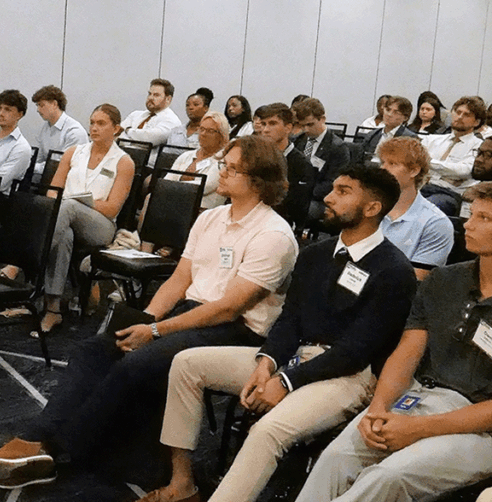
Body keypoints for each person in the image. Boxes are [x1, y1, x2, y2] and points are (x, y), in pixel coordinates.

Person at [0, 136, 298, 490]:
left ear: (258, 181)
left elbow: (228, 308)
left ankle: (53, 449)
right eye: (223, 164)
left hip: (237, 330)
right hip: (194, 313)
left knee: (137, 363)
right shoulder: (211, 218)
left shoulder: (273, 235)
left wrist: (154, 332)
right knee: (94, 349)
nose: (223, 173)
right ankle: (40, 438)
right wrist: (147, 319)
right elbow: (180, 279)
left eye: (232, 168)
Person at [140, 165, 416, 502]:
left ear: (372, 208)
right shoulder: (315, 254)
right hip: (293, 358)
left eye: (343, 192)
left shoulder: (394, 271)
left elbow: (355, 352)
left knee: (267, 430)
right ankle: (182, 482)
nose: (328, 198)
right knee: (186, 364)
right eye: (333, 188)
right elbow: (290, 320)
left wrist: (285, 382)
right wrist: (266, 363)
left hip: (348, 375)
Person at [294, 180, 492, 502]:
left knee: (388, 477)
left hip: (484, 428)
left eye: (484, 218)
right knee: (336, 457)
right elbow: (407, 352)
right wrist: (378, 408)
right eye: (472, 214)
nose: (468, 225)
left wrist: (418, 428)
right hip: (418, 397)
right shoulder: (445, 280)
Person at [37, 104, 135, 333]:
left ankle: (32, 258)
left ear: (116, 128)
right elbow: (53, 192)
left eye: (101, 123)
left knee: (69, 206)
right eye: (92, 122)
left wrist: (80, 202)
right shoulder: (73, 152)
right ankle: (53, 309)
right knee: (64, 236)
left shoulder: (124, 162)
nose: (94, 128)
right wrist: (70, 202)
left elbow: (112, 208)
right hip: (65, 219)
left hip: (101, 225)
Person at [378, 137, 454, 280]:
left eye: (392, 163)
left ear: (414, 171)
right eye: (382, 162)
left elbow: (414, 281)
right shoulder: (367, 208)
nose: (383, 169)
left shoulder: (436, 223)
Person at [253, 102, 315, 233]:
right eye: (263, 124)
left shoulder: (301, 165)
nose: (265, 130)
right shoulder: (254, 158)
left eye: (272, 124)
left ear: (288, 128)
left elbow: (296, 211)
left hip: (278, 226)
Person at [420, 95, 487, 216]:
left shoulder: (479, 146)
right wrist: (449, 172)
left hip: (449, 194)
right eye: (458, 112)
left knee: (426, 208)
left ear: (476, 122)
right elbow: (415, 161)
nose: (460, 117)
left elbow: (464, 171)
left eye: (467, 115)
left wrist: (427, 162)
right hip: (421, 187)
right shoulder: (432, 140)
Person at [291, 97, 351, 222]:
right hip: (296, 193)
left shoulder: (337, 147)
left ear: (322, 119)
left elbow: (333, 182)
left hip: (320, 199)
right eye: (302, 125)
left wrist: (303, 192)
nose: (306, 130)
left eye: (310, 124)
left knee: (301, 209)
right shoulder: (298, 140)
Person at [168, 111, 229, 210]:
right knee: (151, 197)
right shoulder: (186, 156)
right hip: (175, 202)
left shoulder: (224, 161)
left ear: (222, 135)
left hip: (202, 210)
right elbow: (167, 180)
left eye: (210, 131)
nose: (203, 134)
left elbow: (204, 187)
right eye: (202, 129)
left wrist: (171, 187)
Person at [0, 89, 33, 194]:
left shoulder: (21, 147)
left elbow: (1, 184)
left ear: (19, 115)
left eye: (7, 110)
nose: (1, 114)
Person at [30, 85, 87, 181]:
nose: (38, 110)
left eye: (41, 105)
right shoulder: (45, 128)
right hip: (47, 178)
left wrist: (32, 167)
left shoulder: (74, 131)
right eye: (37, 105)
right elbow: (38, 157)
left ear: (54, 104)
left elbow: (60, 166)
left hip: (67, 181)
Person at [120, 78, 182, 148]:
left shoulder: (172, 120)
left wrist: (128, 131)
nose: (150, 98)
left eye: (156, 95)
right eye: (149, 94)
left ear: (168, 99)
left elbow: (149, 139)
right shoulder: (135, 114)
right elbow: (116, 133)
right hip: (122, 153)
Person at [359, 96, 417, 162]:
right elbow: (361, 157)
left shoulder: (409, 138)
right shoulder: (373, 134)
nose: (389, 114)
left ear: (405, 118)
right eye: (388, 110)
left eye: (395, 112)